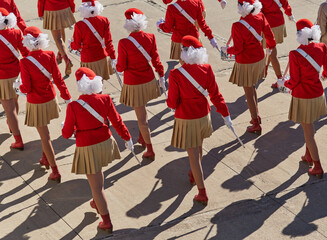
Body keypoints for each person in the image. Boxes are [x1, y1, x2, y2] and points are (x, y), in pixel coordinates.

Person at [62, 67, 132, 233]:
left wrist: (67, 128)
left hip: (87, 147)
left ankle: (106, 221)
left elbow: (65, 134)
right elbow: (117, 121)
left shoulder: (73, 106)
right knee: (98, 178)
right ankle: (96, 202)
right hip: (105, 142)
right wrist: (127, 137)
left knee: (97, 187)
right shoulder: (106, 99)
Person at [167, 35, 232, 205]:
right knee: (199, 148)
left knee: (193, 156)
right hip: (203, 115)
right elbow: (216, 95)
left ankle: (202, 192)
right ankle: (194, 174)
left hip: (186, 118)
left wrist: (169, 102)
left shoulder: (175, 74)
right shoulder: (207, 69)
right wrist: (225, 114)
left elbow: (172, 102)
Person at [278, 19, 327, 179]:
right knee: (310, 128)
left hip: (303, 97)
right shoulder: (321, 47)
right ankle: (308, 156)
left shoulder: (295, 54)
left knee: (309, 133)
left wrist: (284, 83)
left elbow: (294, 81)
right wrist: (322, 76)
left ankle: (317, 165)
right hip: (318, 94)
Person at [18, 26, 72, 182]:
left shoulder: (25, 62)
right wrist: (66, 97)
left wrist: (19, 87)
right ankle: (45, 158)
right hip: (50, 99)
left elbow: (27, 88)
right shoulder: (49, 55)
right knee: (45, 134)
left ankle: (55, 170)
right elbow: (58, 79)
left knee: (45, 137)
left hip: (37, 103)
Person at [117, 8, 165, 161]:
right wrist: (161, 76)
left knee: (142, 119)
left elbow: (121, 67)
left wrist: (115, 66)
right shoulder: (150, 37)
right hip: (149, 80)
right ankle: (142, 138)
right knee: (143, 112)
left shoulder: (124, 43)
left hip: (134, 83)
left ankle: (150, 149)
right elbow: (156, 60)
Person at [221, 0, 276, 135]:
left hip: (246, 61)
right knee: (252, 87)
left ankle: (255, 123)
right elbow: (269, 35)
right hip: (259, 58)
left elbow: (238, 49)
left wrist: (227, 51)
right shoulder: (260, 16)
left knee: (248, 92)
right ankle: (256, 115)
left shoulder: (237, 26)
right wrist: (271, 46)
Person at [0, 8, 29, 150]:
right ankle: (12, 126)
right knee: (15, 101)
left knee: (8, 109)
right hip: (16, 74)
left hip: (2, 77)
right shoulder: (16, 33)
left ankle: (18, 139)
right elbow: (25, 52)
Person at [70, 0, 116, 81]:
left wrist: (71, 44)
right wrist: (113, 57)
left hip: (88, 59)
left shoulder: (79, 25)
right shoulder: (104, 20)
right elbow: (108, 42)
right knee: (100, 84)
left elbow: (76, 46)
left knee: (90, 86)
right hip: (102, 57)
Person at [259, 0, 295, 88]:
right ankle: (264, 69)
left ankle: (280, 80)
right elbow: (285, 4)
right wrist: (289, 14)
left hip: (268, 25)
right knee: (270, 49)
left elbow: (258, 10)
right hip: (279, 22)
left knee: (272, 53)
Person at [37, 0, 76, 76]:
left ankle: (66, 59)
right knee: (62, 32)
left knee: (58, 38)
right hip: (64, 7)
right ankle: (60, 54)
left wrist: (40, 13)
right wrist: (72, 8)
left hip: (52, 10)